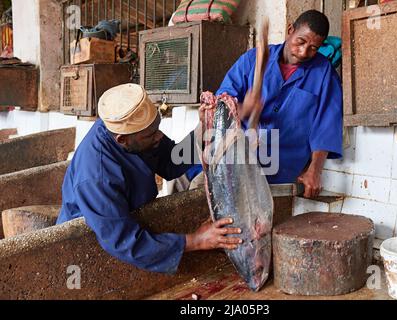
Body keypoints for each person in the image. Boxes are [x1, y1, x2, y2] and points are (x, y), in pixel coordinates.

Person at [56, 83, 242, 274]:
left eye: (157, 128)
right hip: (90, 240)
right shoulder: (96, 176)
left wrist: (202, 129)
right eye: (151, 134)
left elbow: (170, 161)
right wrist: (196, 240)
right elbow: (124, 242)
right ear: (122, 139)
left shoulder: (132, 130)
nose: (159, 136)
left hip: (125, 225)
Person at [216, 10, 343, 199]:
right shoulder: (252, 60)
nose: (304, 52)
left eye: (313, 48)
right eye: (300, 42)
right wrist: (243, 109)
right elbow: (220, 107)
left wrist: (314, 171)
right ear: (290, 29)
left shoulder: (323, 73)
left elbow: (326, 126)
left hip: (283, 173)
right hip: (239, 164)